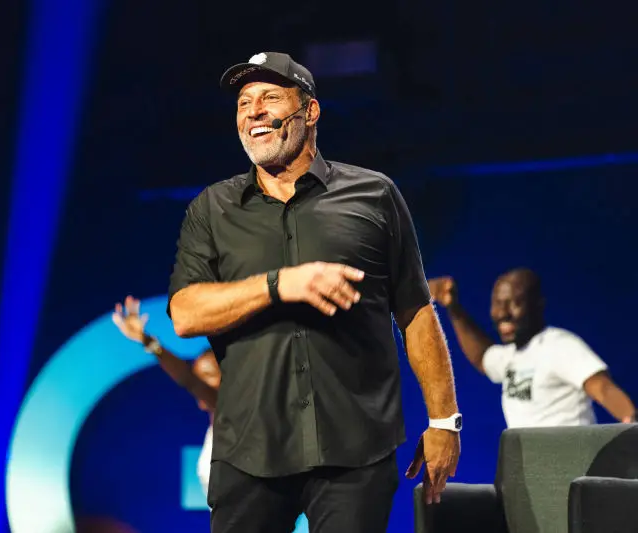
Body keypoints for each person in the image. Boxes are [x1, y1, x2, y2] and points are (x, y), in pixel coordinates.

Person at [167, 51, 462, 533]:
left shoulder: (374, 195)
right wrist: (277, 285)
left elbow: (415, 312)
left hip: (357, 450)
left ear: (310, 111)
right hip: (249, 453)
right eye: (243, 103)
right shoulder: (212, 209)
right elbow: (184, 314)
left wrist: (444, 421)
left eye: (269, 97)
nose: (253, 112)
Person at [429, 269, 636, 427]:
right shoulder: (510, 356)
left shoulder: (559, 345)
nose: (503, 313)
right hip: (531, 467)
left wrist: (631, 420)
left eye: (515, 303)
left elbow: (602, 388)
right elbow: (481, 356)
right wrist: (454, 309)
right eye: (498, 303)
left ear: (538, 305)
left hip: (572, 464)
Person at [112, 295, 220, 494]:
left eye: (208, 375)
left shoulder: (237, 413)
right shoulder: (216, 430)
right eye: (198, 376)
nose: (200, 385)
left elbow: (188, 379)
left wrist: (148, 341)